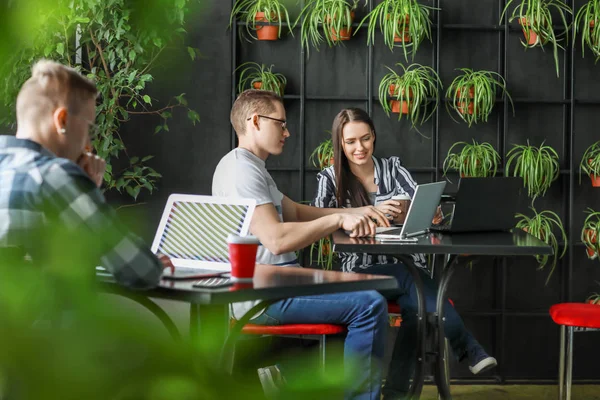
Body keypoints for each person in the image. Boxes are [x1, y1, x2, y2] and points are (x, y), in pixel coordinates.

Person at [212, 90, 402, 400]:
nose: (287, 132)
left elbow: (296, 212)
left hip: (281, 285)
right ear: (256, 121)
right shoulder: (241, 171)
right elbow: (276, 239)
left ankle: (301, 380)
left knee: (365, 292)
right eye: (281, 123)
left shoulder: (251, 167)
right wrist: (337, 222)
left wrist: (352, 212)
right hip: (266, 298)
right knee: (368, 304)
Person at [313, 107, 498, 399]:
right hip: (360, 273)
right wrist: (367, 213)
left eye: (365, 139)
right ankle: (468, 348)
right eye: (350, 142)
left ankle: (396, 393)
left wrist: (429, 214)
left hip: (408, 266)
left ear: (373, 136)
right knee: (411, 279)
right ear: (340, 142)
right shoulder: (330, 178)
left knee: (418, 308)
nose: (359, 147)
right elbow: (320, 221)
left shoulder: (393, 168)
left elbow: (418, 206)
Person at [0, 59, 172, 289]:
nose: (89, 143)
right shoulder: (54, 176)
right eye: (89, 126)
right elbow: (141, 271)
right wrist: (85, 189)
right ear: (61, 120)